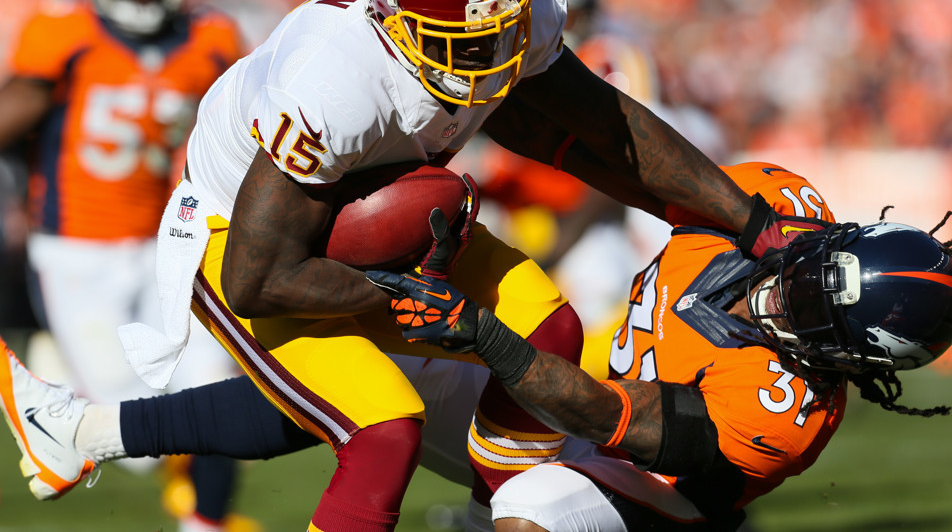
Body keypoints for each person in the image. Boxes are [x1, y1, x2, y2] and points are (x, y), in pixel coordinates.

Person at [0, 0, 825, 532]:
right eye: (468, 45)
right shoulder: (334, 81)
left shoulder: (508, 9)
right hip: (239, 234)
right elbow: (258, 275)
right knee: (383, 426)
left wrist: (749, 220)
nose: (493, 59)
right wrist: (411, 304)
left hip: (371, 204)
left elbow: (602, 123)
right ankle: (87, 427)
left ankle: (510, 491)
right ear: (396, 20)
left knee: (552, 333)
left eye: (502, 34)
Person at [366, 161, 952, 531]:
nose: (780, 299)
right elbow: (636, 162)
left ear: (848, 362)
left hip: (650, 489)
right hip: (591, 392)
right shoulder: (776, 201)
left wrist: (485, 334)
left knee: (535, 504)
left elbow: (605, 416)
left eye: (812, 318)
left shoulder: (782, 412)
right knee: (389, 364)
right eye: (802, 279)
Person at [0, 0, 249, 532]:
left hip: (168, 242)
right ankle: (61, 376)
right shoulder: (68, 33)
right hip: (75, 254)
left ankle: (205, 523)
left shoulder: (211, 40)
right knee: (133, 424)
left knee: (213, 386)